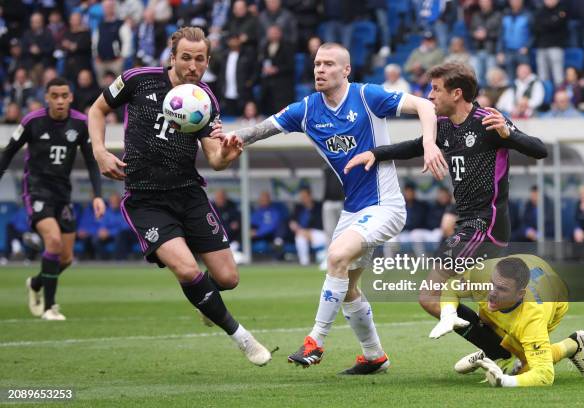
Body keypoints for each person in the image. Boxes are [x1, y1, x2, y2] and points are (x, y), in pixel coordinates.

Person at [217, 42, 444, 374]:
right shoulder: (308, 109)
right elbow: (264, 128)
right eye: (316, 64)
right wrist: (237, 137)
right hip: (354, 210)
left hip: (385, 205)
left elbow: (425, 105)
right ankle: (374, 356)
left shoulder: (368, 96)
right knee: (349, 288)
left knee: (336, 255)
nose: (319, 69)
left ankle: (315, 341)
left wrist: (428, 143)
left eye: (327, 64)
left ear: (346, 70)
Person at [87, 26, 271, 367]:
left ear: (207, 62)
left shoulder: (205, 100)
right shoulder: (136, 80)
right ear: (172, 58)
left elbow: (215, 159)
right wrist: (99, 151)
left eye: (200, 59)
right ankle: (242, 337)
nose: (192, 66)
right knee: (187, 270)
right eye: (186, 58)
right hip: (146, 199)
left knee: (228, 278)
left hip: (188, 193)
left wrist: (230, 153)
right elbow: (96, 110)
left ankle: (207, 303)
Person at [345, 62, 548, 364]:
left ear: (456, 93)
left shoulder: (487, 121)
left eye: (435, 89)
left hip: (485, 224)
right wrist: (376, 153)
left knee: (431, 296)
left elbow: (539, 149)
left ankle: (506, 353)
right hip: (468, 225)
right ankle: (516, 350)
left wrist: (509, 134)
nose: (429, 96)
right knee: (483, 301)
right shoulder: (443, 128)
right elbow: (414, 146)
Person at [0, 77, 105, 320]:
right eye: (54, 96)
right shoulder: (32, 122)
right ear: (47, 98)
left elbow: (91, 161)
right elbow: (7, 154)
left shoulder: (80, 124)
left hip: (62, 194)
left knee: (66, 258)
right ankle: (50, 307)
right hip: (36, 191)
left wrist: (98, 195)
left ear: (70, 97)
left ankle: (36, 283)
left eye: (64, 96)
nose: (59, 101)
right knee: (54, 242)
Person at [434, 255, 584, 386]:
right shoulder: (483, 276)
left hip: (555, 297)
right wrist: (448, 314)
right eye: (492, 284)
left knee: (526, 365)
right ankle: (500, 354)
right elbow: (451, 287)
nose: (492, 293)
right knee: (485, 315)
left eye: (502, 289)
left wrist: (505, 381)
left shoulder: (532, 318)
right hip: (530, 265)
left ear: (520, 294)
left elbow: (544, 376)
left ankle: (573, 344)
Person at [289, 186, 326, 266]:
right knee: (299, 237)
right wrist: (293, 225)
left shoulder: (319, 206)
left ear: (310, 196)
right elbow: (292, 221)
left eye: (305, 196)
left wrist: (308, 232)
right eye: (301, 197)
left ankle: (322, 254)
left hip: (319, 233)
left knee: (303, 234)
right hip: (302, 233)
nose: (303, 199)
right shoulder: (298, 207)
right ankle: (304, 263)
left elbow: (321, 224)